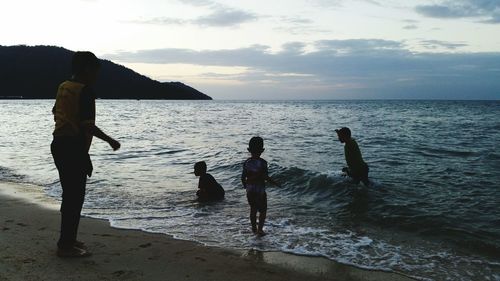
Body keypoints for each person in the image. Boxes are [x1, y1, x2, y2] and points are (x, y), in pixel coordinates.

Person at [51, 51, 121, 258]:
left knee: (70, 195)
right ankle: (65, 246)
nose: (97, 76)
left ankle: (68, 240)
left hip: (58, 144)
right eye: (96, 71)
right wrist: (110, 140)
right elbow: (88, 125)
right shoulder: (85, 91)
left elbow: (55, 111)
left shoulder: (63, 86)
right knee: (75, 197)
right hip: (73, 147)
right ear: (88, 70)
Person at [241, 137, 279, 236]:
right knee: (263, 210)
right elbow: (265, 176)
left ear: (249, 150)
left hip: (250, 190)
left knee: (253, 209)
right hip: (260, 191)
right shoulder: (263, 163)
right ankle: (260, 229)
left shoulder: (246, 163)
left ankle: (254, 228)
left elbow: (242, 177)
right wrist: (274, 183)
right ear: (262, 150)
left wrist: (246, 186)